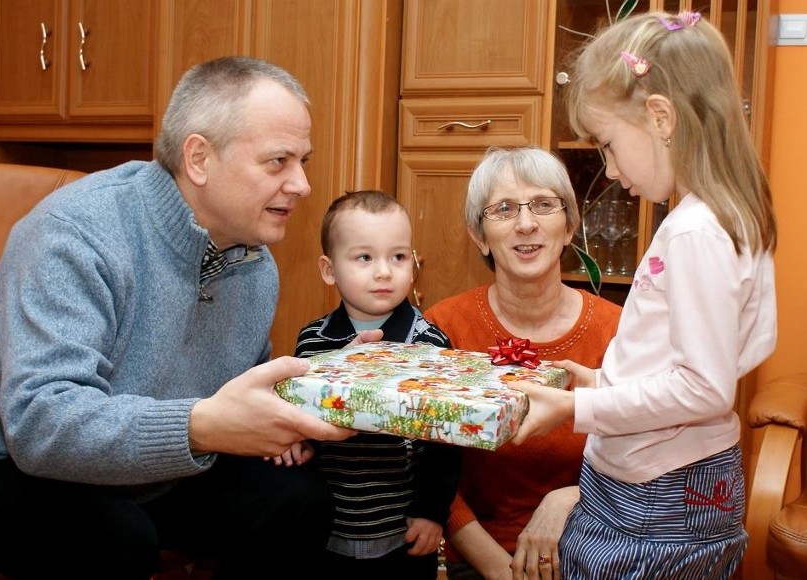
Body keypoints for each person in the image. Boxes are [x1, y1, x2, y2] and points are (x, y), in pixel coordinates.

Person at [0, 56, 377, 579]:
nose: (301, 185)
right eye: (278, 162)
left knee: (298, 501)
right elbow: (41, 424)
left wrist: (337, 382)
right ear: (199, 158)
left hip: (158, 462)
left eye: (303, 161)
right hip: (7, 466)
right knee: (116, 539)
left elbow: (235, 393)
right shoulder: (74, 235)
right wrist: (202, 426)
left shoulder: (253, 261)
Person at [508, 12, 777, 580]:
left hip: (661, 490)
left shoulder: (695, 231)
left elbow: (703, 387)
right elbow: (682, 360)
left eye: (607, 143)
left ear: (660, 117)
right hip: (671, 476)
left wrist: (577, 409)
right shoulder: (723, 218)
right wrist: (601, 381)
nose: (608, 167)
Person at [422, 146, 622, 580]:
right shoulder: (442, 325)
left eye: (544, 205)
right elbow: (425, 466)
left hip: (598, 551)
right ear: (480, 236)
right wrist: (496, 566)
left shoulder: (619, 330)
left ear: (570, 226)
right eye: (504, 209)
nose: (526, 223)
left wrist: (569, 497)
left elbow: (647, 458)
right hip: (478, 559)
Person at [291, 190, 461, 579]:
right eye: (365, 257)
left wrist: (432, 512)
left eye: (398, 256)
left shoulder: (429, 343)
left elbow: (446, 442)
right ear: (329, 269)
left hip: (401, 529)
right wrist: (294, 441)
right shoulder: (312, 341)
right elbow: (300, 411)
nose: (384, 271)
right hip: (327, 523)